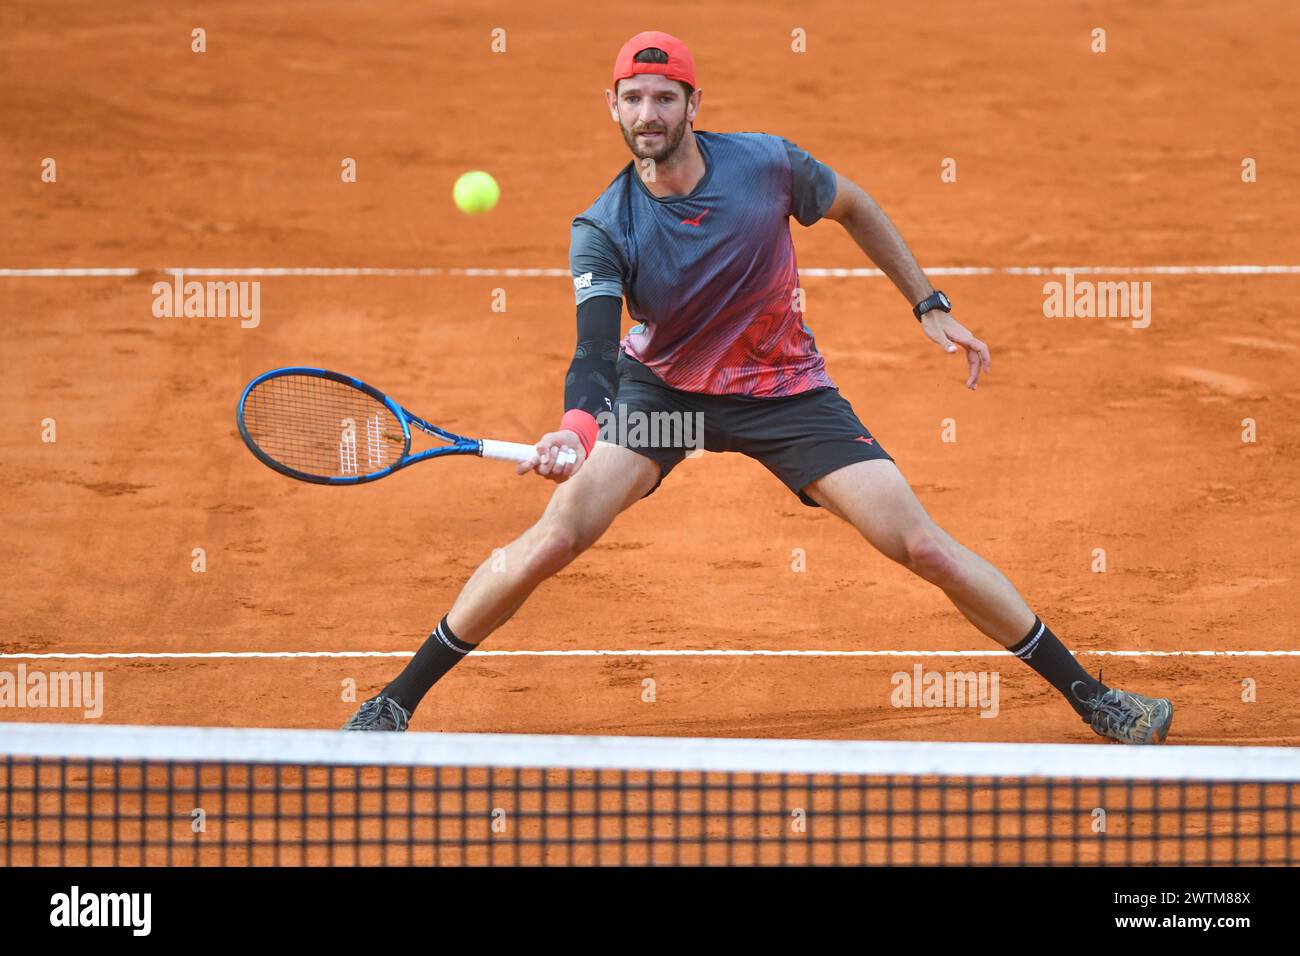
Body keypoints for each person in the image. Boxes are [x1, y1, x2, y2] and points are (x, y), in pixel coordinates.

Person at [344, 30, 1173, 744]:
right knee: (555, 538)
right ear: (613, 107)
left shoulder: (769, 166)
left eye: (664, 99)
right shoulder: (602, 227)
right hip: (665, 405)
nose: (648, 116)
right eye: (632, 99)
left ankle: (1096, 699)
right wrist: (575, 428)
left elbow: (854, 205)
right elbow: (595, 353)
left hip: (786, 397)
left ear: (694, 104)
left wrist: (927, 302)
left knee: (921, 545)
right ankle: (393, 703)